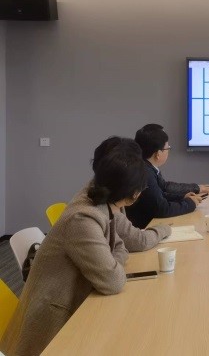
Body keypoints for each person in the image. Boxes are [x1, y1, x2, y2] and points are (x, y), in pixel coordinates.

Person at [0, 147, 144, 355]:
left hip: (69, 303)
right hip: (51, 328)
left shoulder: (100, 205)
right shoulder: (83, 218)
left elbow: (119, 247)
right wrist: (111, 265)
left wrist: (111, 262)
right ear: (135, 194)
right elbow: (113, 281)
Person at [89, 136, 171, 251]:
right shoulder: (95, 211)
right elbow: (139, 242)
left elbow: (121, 246)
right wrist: (165, 229)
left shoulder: (103, 190)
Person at [125, 124, 209, 229]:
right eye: (167, 148)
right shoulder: (146, 173)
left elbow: (160, 194)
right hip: (145, 228)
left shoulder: (147, 167)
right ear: (158, 154)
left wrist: (182, 197)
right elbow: (162, 209)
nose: (168, 151)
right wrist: (190, 204)